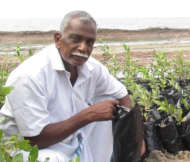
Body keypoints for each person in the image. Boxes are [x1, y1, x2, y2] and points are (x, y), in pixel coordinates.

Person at [0, 10, 144, 162]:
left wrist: (137, 139)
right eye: (76, 39)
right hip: (27, 148)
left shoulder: (92, 68)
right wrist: (88, 115)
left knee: (111, 98)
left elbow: (123, 96)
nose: (83, 48)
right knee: (54, 159)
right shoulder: (30, 76)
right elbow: (35, 141)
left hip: (69, 138)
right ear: (58, 39)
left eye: (89, 42)